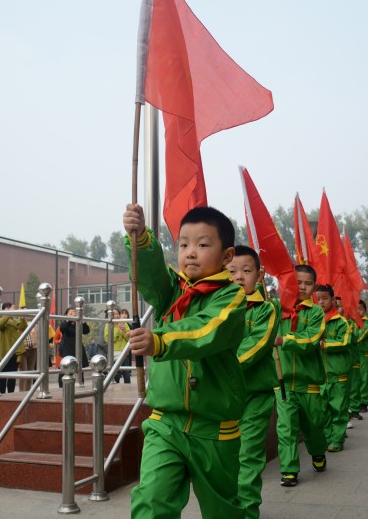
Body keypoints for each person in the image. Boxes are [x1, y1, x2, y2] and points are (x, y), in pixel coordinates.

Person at [123, 203, 247, 518]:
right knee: (151, 501)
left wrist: (159, 340)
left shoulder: (231, 298)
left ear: (227, 256)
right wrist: (140, 240)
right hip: (166, 422)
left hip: (214, 428)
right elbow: (149, 276)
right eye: (184, 244)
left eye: (203, 245)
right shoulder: (172, 291)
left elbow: (203, 330)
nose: (190, 252)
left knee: (223, 510)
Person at [226, 245, 279, 519]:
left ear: (259, 275)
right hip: (224, 397)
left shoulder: (267, 309)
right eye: (231, 270)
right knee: (225, 459)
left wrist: (221, 365)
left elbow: (257, 345)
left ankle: (247, 513)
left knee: (248, 457)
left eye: (246, 271)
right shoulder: (217, 307)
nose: (238, 277)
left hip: (255, 397)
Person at [274, 264, 327, 487]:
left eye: (307, 283)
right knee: (286, 427)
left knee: (314, 426)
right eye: (298, 282)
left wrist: (285, 340)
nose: (302, 287)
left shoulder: (316, 313)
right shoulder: (276, 310)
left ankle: (317, 451)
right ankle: (289, 470)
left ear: (314, 286)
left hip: (309, 383)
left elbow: (310, 340)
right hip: (282, 381)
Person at [316, 285, 351, 453]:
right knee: (323, 410)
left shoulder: (341, 322)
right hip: (320, 375)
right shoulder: (315, 320)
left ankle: (337, 440)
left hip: (338, 374)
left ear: (333, 299)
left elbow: (344, 342)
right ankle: (328, 438)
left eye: (325, 298)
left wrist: (325, 344)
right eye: (319, 299)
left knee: (338, 409)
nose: (321, 302)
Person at [57, 307, 89, 388]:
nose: (73, 314)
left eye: (74, 313)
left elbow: (86, 331)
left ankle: (80, 384)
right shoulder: (65, 324)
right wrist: (69, 319)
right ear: (65, 315)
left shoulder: (78, 324)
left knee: (79, 369)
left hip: (77, 348)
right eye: (70, 313)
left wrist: (83, 320)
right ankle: (62, 387)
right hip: (68, 349)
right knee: (65, 369)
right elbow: (63, 328)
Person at [0, 302, 26, 394]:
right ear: (6, 309)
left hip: (14, 351)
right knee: (2, 376)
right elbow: (0, 325)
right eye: (12, 308)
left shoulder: (15, 320)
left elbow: (24, 327)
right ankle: (2, 394)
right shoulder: (0, 318)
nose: (14, 310)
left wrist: (22, 317)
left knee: (12, 376)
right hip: (4, 352)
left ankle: (11, 394)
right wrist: (8, 313)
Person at [355, 301, 368, 412]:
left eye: (360, 309)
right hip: (354, 354)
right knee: (354, 379)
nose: (358, 311)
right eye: (356, 309)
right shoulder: (351, 321)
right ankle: (355, 402)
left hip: (364, 354)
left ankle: (363, 402)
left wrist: (349, 338)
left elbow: (360, 335)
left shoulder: (367, 322)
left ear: (365, 310)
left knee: (364, 379)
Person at [105, 308, 132, 384]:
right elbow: (108, 340)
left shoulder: (125, 324)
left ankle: (128, 387)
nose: (116, 315)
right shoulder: (108, 325)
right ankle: (114, 385)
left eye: (117, 314)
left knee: (126, 373)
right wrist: (117, 331)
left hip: (124, 352)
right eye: (114, 314)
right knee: (114, 372)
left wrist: (124, 331)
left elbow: (129, 338)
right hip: (113, 352)